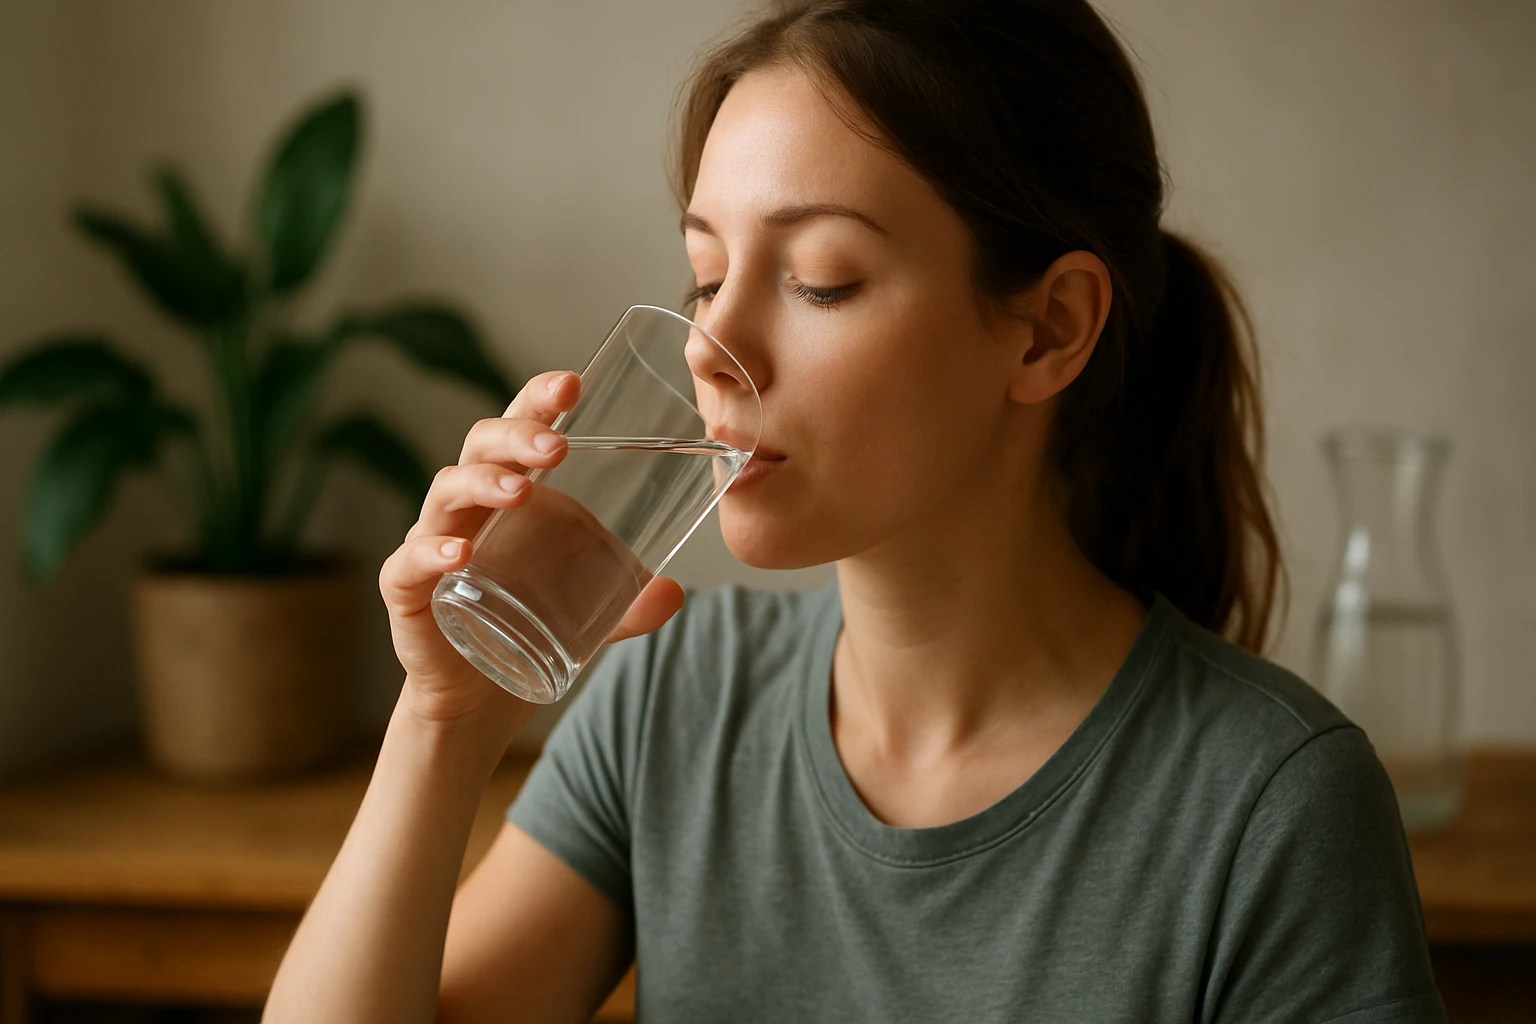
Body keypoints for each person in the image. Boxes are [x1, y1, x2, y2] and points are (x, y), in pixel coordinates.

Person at [263, 1, 1445, 1021]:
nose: (715, 350)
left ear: (1050, 329)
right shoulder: (675, 702)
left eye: (819, 278)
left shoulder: (1273, 806)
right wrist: (443, 722)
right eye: (705, 276)